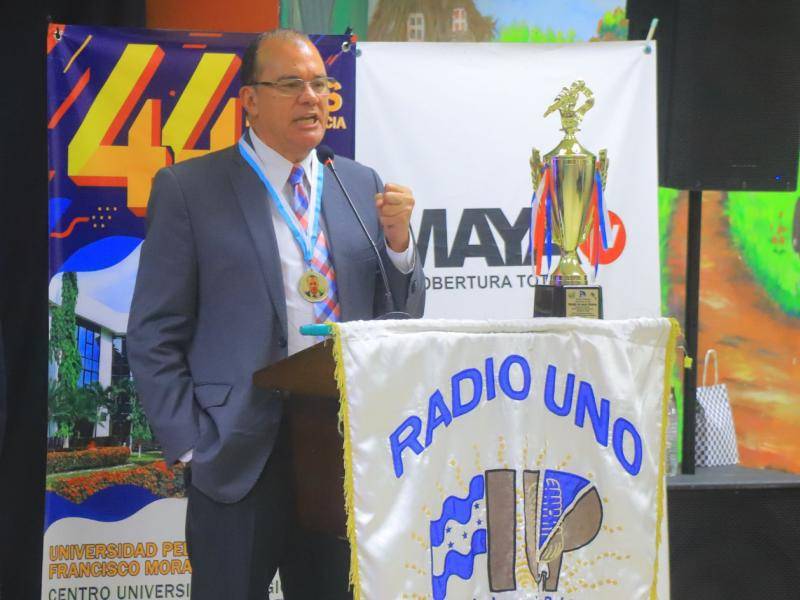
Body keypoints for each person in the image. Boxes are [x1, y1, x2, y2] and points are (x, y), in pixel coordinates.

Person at [127, 29, 425, 600]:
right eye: (291, 84)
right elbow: (152, 333)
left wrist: (399, 241)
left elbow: (399, 316)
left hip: (337, 449)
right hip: (236, 451)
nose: (311, 98)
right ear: (251, 101)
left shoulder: (356, 183)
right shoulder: (190, 189)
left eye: (320, 84)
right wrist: (192, 444)